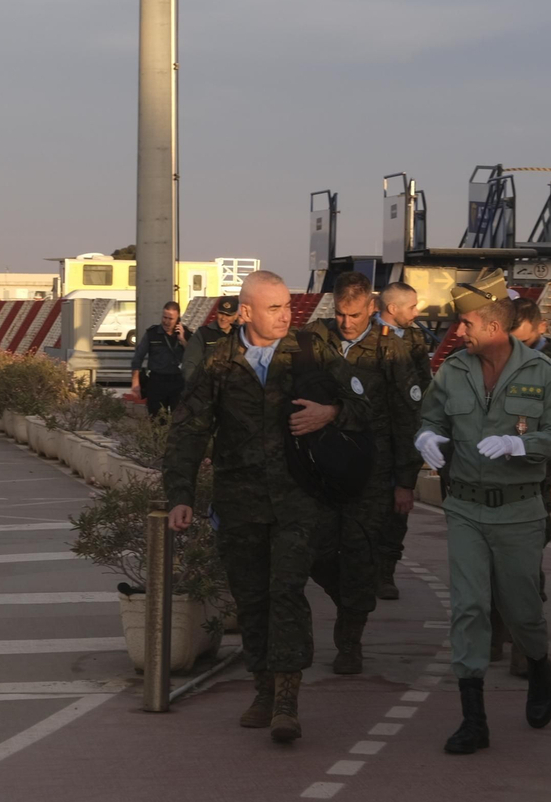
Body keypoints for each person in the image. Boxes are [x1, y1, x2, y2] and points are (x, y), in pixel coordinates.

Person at [165, 270, 367, 744]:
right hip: (239, 502)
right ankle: (263, 687)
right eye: (274, 308)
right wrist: (181, 495)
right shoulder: (218, 362)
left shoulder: (310, 352)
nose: (285, 316)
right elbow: (189, 430)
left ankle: (286, 701)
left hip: (298, 499)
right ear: (246, 312)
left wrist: (332, 412)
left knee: (286, 593)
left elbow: (365, 405)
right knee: (252, 598)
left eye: (287, 307)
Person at [416, 285, 551, 755]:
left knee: (522, 609)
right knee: (469, 607)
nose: (457, 330)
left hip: (519, 509)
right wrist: (426, 436)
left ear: (493, 326)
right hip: (465, 506)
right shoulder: (453, 370)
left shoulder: (543, 371)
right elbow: (432, 417)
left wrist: (520, 444)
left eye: (465, 323)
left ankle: (539, 665)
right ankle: (474, 720)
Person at [304, 272, 422, 673]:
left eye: (354, 315)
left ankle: (349, 641)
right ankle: (350, 602)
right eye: (340, 313)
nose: (347, 322)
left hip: (371, 473)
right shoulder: (316, 337)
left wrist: (405, 482)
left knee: (359, 557)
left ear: (372, 308)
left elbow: (407, 418)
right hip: (321, 471)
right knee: (315, 552)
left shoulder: (391, 350)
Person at [492, 296, 551, 676]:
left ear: (539, 327)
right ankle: (492, 633)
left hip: (533, 475)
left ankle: (524, 644)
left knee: (524, 559)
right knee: (486, 557)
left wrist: (527, 444)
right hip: (490, 472)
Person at [371, 281, 435, 598]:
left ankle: (385, 573)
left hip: (403, 435)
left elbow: (425, 387)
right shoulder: (366, 337)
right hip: (370, 441)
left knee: (397, 513)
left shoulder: (415, 338)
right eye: (411, 307)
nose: (417, 312)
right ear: (392, 308)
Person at [130, 301, 188, 416]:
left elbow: (193, 355)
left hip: (178, 382)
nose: (166, 322)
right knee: (156, 419)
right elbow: (138, 357)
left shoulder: (186, 333)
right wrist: (135, 382)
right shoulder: (152, 333)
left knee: (179, 419)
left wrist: (182, 340)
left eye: (170, 319)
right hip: (157, 381)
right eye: (164, 317)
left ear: (178, 318)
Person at [182, 295, 238, 382]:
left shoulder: (241, 334)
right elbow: (190, 363)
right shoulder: (203, 333)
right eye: (221, 313)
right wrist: (194, 386)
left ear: (236, 316)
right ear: (216, 312)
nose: (223, 318)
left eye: (228, 315)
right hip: (208, 385)